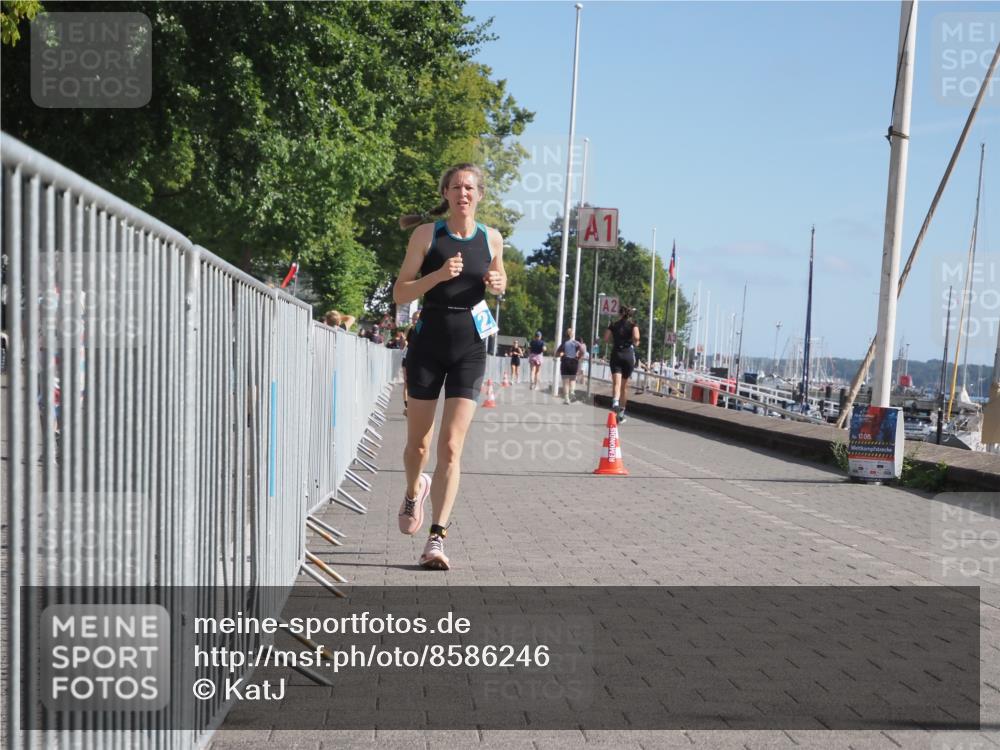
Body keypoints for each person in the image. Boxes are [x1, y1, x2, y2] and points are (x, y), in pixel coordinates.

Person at [392, 163, 506, 570]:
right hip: (428, 343)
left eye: (470, 187)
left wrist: (498, 284)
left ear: (480, 195)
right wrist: (437, 276)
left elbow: (500, 277)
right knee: (419, 445)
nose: (463, 193)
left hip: (471, 348)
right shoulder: (428, 235)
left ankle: (436, 539)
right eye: (456, 186)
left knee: (452, 447)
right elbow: (400, 290)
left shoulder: (492, 238)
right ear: (445, 193)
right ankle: (412, 490)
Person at [604, 305, 640, 423]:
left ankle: (615, 402)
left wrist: (615, 339)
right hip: (628, 355)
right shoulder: (633, 325)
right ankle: (621, 413)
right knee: (624, 386)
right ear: (629, 315)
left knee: (616, 383)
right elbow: (636, 337)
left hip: (616, 354)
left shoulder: (613, 324)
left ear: (619, 314)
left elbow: (606, 338)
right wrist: (635, 342)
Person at [555, 328, 583, 404]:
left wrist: (561, 354)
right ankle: (572, 391)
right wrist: (579, 356)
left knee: (565, 381)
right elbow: (583, 350)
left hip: (565, 362)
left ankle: (566, 398)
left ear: (566, 335)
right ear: (572, 335)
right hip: (574, 362)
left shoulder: (564, 343)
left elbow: (556, 354)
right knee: (573, 379)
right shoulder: (576, 343)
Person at [400, 311, 420, 418]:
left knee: (416, 383)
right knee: (407, 382)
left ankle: (414, 407)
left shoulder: (423, 328)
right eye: (414, 318)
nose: (415, 321)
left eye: (417, 319)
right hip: (407, 357)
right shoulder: (409, 329)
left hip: (419, 359)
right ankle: (407, 407)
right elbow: (403, 346)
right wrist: (404, 341)